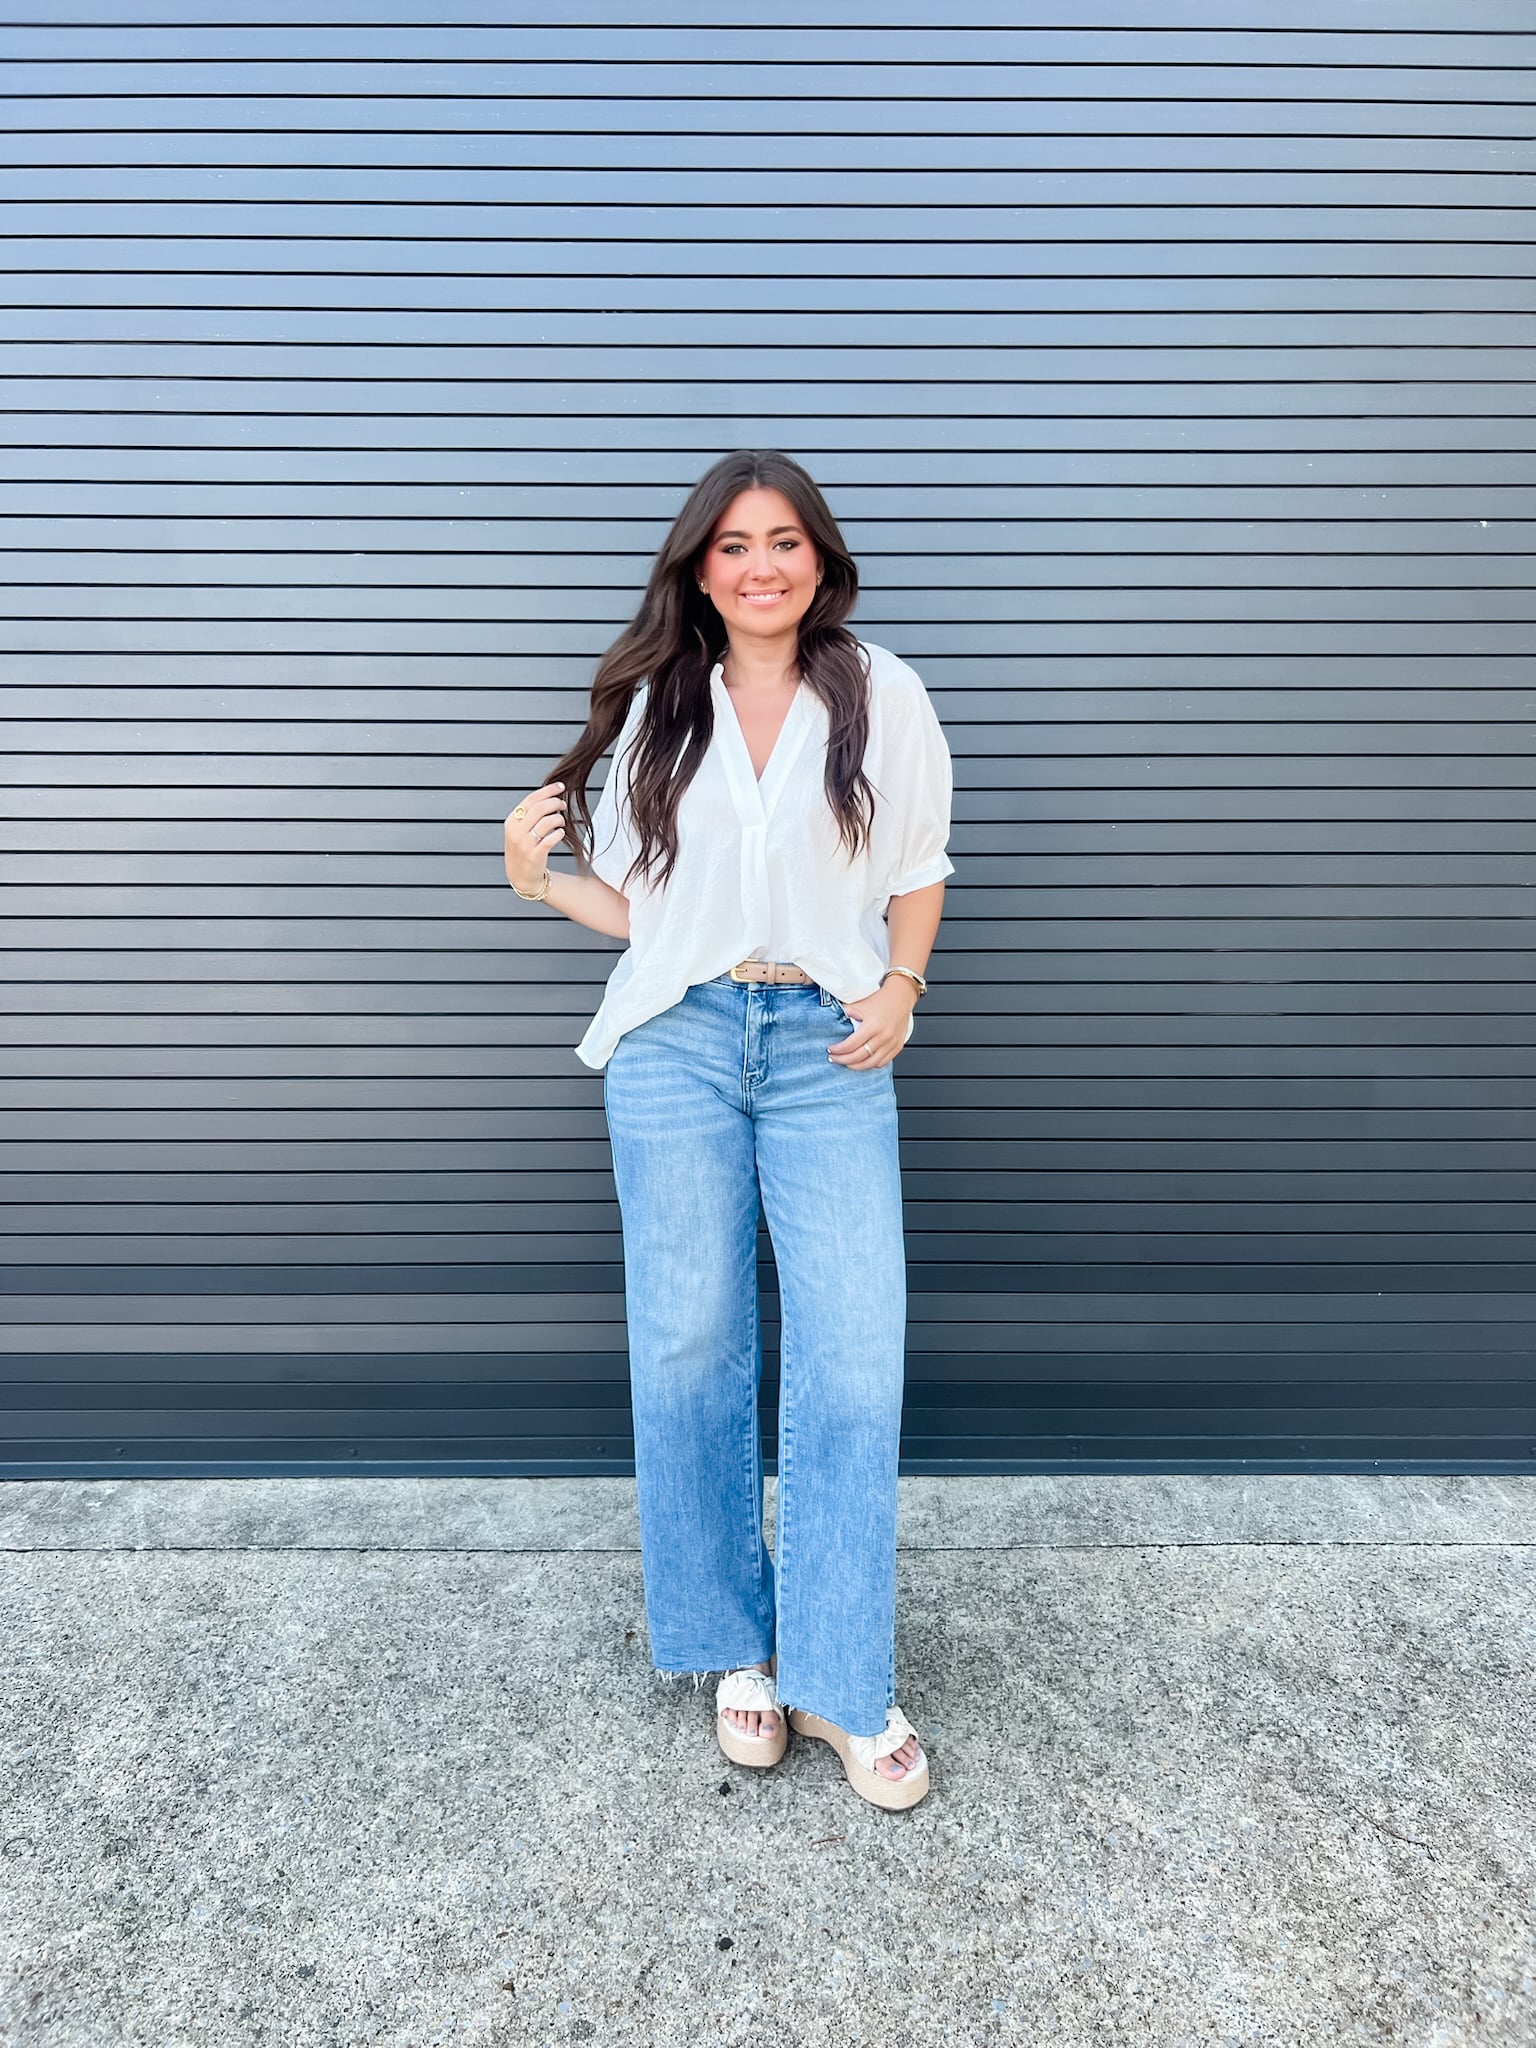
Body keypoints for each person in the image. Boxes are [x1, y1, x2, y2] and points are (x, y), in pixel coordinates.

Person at [501, 450, 954, 1811]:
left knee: (853, 1354)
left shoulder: (884, 692)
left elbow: (921, 867)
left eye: (785, 542)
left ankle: (840, 1674)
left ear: (820, 559)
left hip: (826, 1044)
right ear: (698, 568)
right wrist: (543, 883)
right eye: (733, 546)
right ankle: (735, 1650)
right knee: (693, 1343)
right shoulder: (655, 700)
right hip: (678, 1041)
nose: (761, 566)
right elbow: (656, 916)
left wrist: (903, 990)